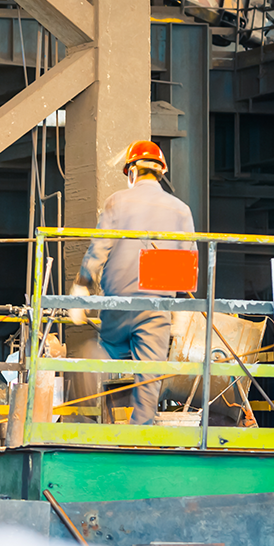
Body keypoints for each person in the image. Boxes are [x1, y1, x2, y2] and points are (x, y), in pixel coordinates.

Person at [76, 140, 195, 426]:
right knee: (150, 373)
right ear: (160, 172)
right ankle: (141, 434)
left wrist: (82, 284)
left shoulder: (117, 201)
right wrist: (179, 311)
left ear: (132, 172)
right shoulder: (181, 209)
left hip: (119, 302)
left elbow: (99, 248)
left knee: (102, 352)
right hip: (156, 304)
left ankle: (91, 423)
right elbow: (187, 260)